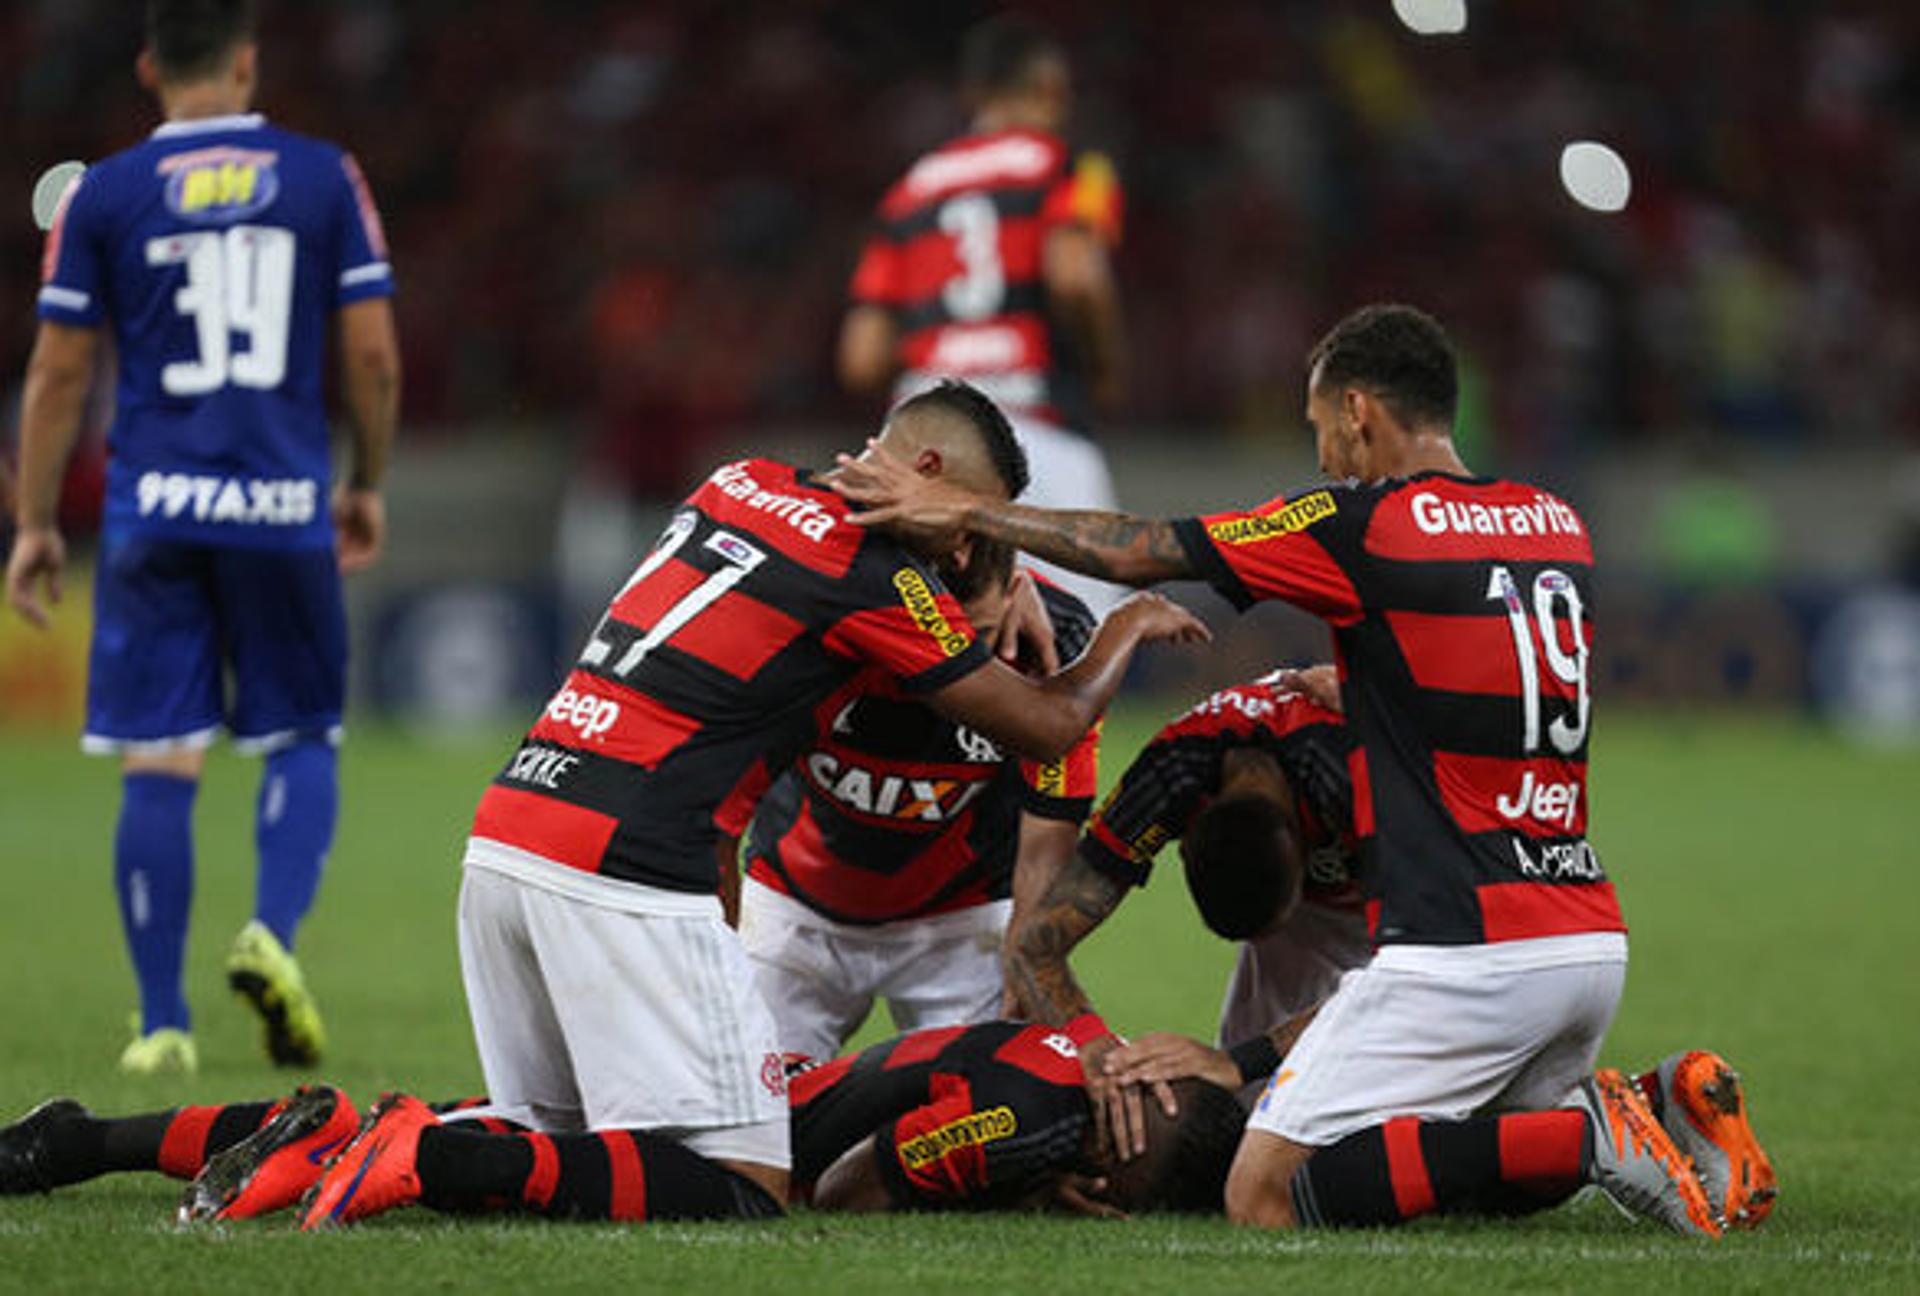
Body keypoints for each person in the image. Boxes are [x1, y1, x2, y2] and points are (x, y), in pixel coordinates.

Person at [829, 304, 1768, 1236]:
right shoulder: (1554, 520)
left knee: (1263, 1193)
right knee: (1484, 1159)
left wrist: (966, 511)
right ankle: (1649, 1105)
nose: (1324, 461)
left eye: (1323, 432)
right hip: (1588, 936)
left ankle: (1592, 1138)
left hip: (1468, 946)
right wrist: (1364, 690)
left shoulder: (1367, 524)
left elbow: (1141, 547)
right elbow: (1470, 673)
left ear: (1358, 412)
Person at [440, 380, 1208, 1222]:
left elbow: (1042, 854)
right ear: (921, 472)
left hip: (948, 922)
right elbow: (1046, 722)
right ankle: (423, 1151)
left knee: (633, 1134)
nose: (963, 550)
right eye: (968, 519)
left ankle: (384, 1140)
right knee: (732, 1167)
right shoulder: (879, 593)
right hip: (782, 906)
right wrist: (1124, 623)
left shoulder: (741, 483)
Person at [4, 0, 400, 1075]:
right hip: (280, 507)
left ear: (148, 67)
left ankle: (160, 1022)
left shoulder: (106, 194)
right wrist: (362, 480)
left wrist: (35, 522)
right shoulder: (323, 176)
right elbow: (368, 354)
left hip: (154, 512)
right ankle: (270, 930)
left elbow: (58, 373)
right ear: (245, 61)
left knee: (158, 760)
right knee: (301, 731)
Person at [0, 1017, 1248, 1228]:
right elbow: (843, 1195)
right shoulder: (1021, 1126)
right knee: (452, 1137)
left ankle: (76, 1139)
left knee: (459, 1114)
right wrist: (1025, 1184)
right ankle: (76, 1140)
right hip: (722, 1122)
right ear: (1117, 1154)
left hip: (749, 1076)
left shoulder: (1076, 1053)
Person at [733, 549, 1101, 1064]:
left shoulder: (1057, 638)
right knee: (748, 1116)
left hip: (964, 921)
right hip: (792, 906)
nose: (948, 672)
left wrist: (1029, 952)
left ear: (1016, 591)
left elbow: (1052, 823)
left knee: (998, 1110)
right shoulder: (813, 611)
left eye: (976, 639)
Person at [839, 14, 1127, 615]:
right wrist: (1104, 365)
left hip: (920, 444)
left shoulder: (909, 192)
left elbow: (861, 357)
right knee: (1076, 639)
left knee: (932, 643)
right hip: (1038, 424)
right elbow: (1076, 277)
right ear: (1052, 88)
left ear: (972, 95)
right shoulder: (1075, 168)